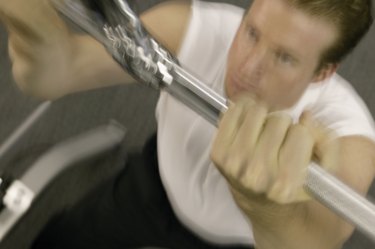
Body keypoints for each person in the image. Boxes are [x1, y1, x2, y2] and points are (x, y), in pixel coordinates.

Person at [0, 0, 374, 248]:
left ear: (324, 71)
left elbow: (314, 242)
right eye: (252, 32)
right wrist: (37, 39)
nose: (246, 68)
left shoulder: (346, 131)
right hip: (153, 186)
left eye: (284, 57)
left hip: (239, 243)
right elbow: (60, 73)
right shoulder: (200, 27)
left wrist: (264, 207)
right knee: (63, 240)